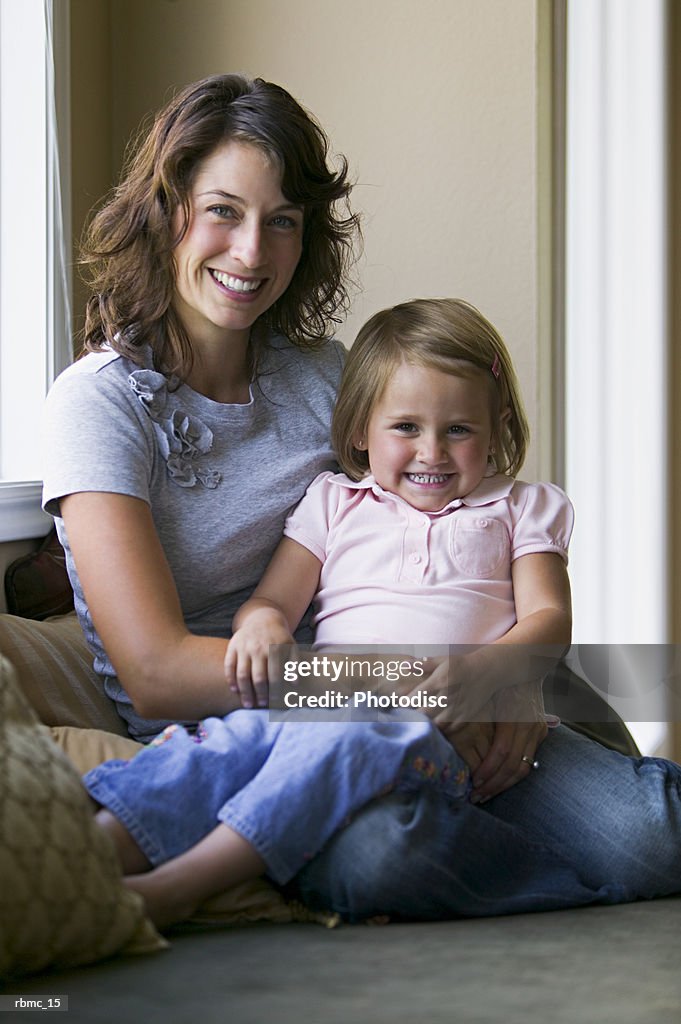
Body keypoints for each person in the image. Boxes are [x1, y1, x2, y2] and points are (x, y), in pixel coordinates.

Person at [83, 297, 603, 928]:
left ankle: (185, 885)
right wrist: (264, 624)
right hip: (323, 701)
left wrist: (489, 675)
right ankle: (80, 857)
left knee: (355, 740)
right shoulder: (333, 502)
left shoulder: (522, 507)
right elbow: (274, 600)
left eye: (459, 430)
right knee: (228, 744)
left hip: (437, 733)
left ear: (497, 430)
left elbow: (551, 619)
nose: (432, 452)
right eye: (406, 428)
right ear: (360, 431)